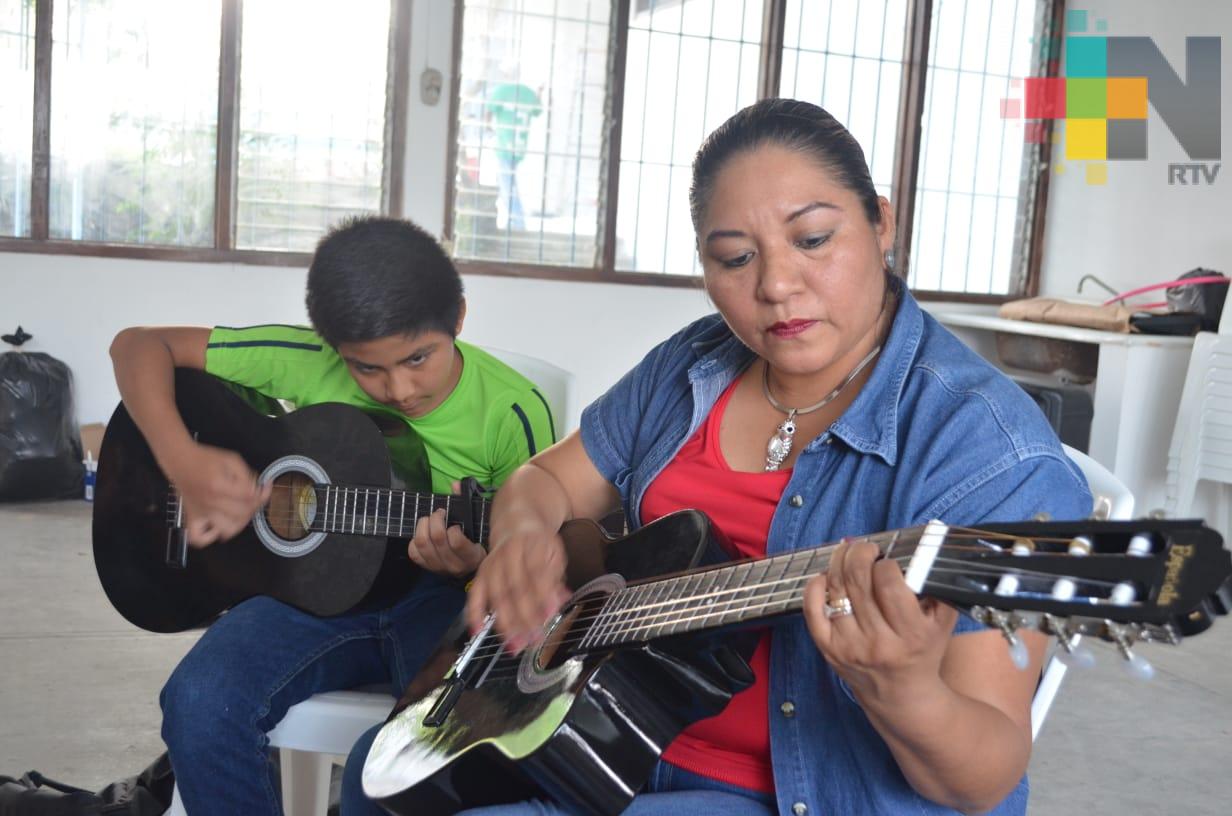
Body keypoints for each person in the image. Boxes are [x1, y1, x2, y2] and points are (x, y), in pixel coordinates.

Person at [343, 99, 1093, 815]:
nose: (774, 286)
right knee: (375, 774)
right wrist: (524, 535)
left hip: (780, 793)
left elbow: (982, 780)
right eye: (735, 257)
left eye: (813, 239)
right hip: (605, 729)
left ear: (881, 221)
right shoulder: (693, 366)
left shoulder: (988, 451)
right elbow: (544, 479)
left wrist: (902, 689)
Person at [108, 215, 556, 815]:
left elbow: (530, 552)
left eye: (418, 358)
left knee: (424, 754)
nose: (398, 388)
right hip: (307, 595)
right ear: (334, 346)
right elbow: (137, 344)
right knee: (198, 701)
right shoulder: (305, 358)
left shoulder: (514, 411)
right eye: (366, 368)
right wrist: (182, 458)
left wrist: (474, 567)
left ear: (459, 320)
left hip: (443, 605)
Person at [486, 80, 542, 231]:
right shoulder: (528, 94)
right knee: (506, 185)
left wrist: (488, 127)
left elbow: (489, 111)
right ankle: (513, 220)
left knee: (507, 186)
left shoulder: (501, 92)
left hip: (505, 147)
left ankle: (518, 222)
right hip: (518, 148)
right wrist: (539, 94)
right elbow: (537, 110)